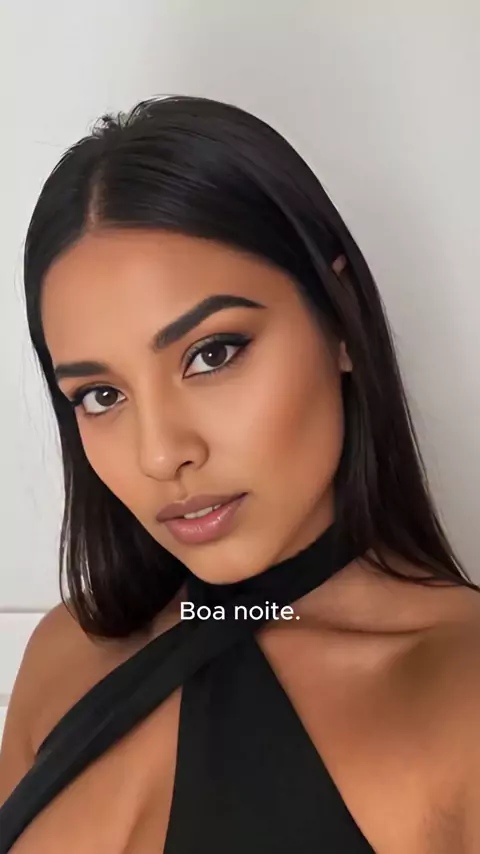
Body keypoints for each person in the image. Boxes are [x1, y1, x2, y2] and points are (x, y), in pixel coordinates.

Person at [0, 95, 479, 853]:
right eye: (100, 395)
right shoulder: (64, 652)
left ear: (339, 315)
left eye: (212, 354)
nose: (161, 455)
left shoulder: (463, 697)